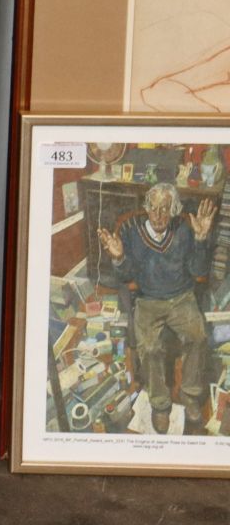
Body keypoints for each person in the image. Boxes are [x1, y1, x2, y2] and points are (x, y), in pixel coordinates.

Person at [98, 183, 220, 435]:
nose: (158, 215)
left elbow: (199, 272)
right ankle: (160, 404)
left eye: (165, 209)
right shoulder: (131, 233)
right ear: (146, 208)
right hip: (148, 299)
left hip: (181, 298)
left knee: (198, 336)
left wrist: (200, 240)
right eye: (153, 208)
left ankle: (190, 395)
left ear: (174, 210)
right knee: (150, 347)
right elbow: (125, 275)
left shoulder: (186, 230)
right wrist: (119, 257)